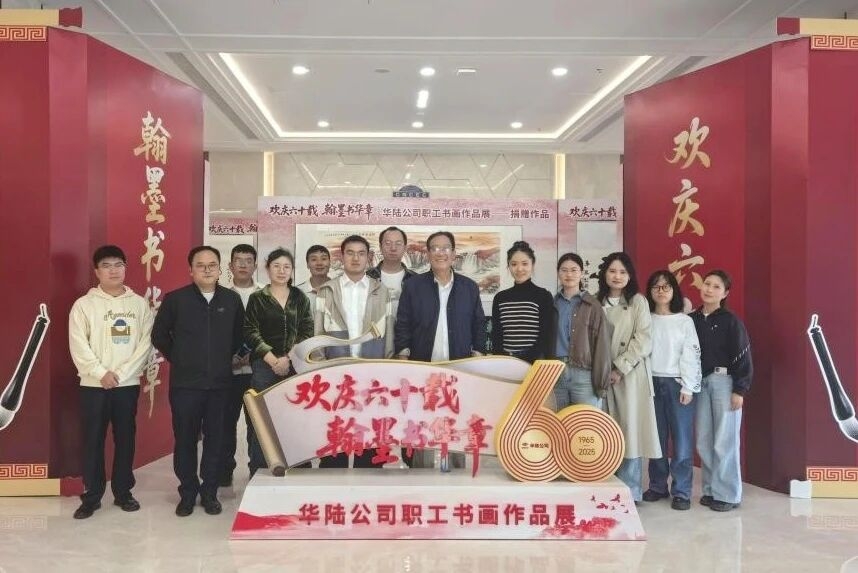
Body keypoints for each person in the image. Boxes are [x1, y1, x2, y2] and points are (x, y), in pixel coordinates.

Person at [152, 246, 245, 517]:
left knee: (216, 440)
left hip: (220, 385)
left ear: (220, 269)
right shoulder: (176, 300)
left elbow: (239, 336)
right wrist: (180, 358)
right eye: (200, 265)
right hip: (185, 386)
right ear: (190, 270)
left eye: (212, 265)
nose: (207, 270)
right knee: (185, 440)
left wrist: (223, 359)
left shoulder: (231, 300)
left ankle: (210, 492)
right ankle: (188, 492)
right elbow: (159, 336)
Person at [69, 245, 153, 520]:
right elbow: (78, 345)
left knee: (125, 438)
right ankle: (91, 496)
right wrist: (100, 373)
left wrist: (122, 374)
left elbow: (145, 343)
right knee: (92, 440)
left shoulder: (139, 304)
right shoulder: (84, 305)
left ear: (125, 268)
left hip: (126, 386)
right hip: (93, 386)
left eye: (118, 264)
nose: (113, 270)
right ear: (96, 271)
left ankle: (123, 492)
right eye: (106, 265)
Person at [395, 231, 486, 468]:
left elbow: (479, 324)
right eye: (434, 248)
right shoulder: (413, 286)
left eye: (445, 248)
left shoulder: (469, 287)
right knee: (423, 425)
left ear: (454, 253)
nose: (440, 253)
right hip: (423, 367)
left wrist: (477, 356)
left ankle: (456, 473)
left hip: (459, 368)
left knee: (455, 424)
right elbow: (403, 322)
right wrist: (403, 355)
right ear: (428, 254)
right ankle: (421, 474)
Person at [315, 235, 394, 468]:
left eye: (361, 253)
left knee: (369, 443)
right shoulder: (327, 291)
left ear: (369, 258)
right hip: (336, 377)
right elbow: (318, 334)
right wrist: (321, 372)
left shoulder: (381, 291)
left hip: (372, 376)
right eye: (350, 253)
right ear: (341, 257)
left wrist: (387, 370)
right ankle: (333, 483)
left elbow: (389, 333)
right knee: (335, 443)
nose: (356, 258)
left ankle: (367, 485)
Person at [596, 252, 661, 502]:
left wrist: (620, 367)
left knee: (629, 430)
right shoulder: (594, 301)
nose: (617, 276)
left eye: (623, 272)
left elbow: (643, 339)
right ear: (604, 274)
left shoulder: (637, 302)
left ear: (630, 275)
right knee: (605, 431)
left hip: (629, 375)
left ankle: (630, 491)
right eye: (612, 271)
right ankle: (606, 487)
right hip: (600, 374)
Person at [244, 247, 314, 475]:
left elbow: (306, 330)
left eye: (286, 267)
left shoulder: (300, 297)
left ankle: (299, 468)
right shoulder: (257, 298)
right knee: (262, 420)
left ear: (292, 270)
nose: (281, 271)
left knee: (295, 417)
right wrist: (273, 360)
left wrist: (288, 358)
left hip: (295, 365)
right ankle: (259, 470)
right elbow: (251, 331)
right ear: (267, 269)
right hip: (264, 366)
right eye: (276, 266)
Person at [690, 270, 752, 512]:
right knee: (704, 440)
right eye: (707, 284)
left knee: (724, 441)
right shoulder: (692, 319)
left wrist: (740, 389)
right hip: (700, 383)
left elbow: (743, 356)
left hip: (724, 383)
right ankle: (710, 490)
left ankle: (727, 494)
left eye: (716, 287)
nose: (709, 289)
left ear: (725, 293)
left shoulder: (731, 321)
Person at [642, 270, 701, 511]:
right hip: (650, 383)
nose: (661, 291)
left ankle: (682, 491)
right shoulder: (645, 319)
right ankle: (657, 485)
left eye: (666, 286)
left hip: (677, 384)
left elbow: (691, 354)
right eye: (656, 287)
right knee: (656, 438)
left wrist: (688, 386)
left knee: (682, 440)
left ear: (674, 290)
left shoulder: (684, 321)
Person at [220, 243, 261, 487]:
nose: (243, 265)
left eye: (248, 261)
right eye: (238, 260)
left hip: (258, 370)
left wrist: (248, 352)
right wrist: (234, 355)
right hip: (228, 372)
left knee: (257, 425)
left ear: (256, 265)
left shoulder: (265, 295)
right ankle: (225, 471)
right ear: (230, 265)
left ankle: (257, 470)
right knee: (226, 423)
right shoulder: (222, 296)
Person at [552, 252, 612, 409]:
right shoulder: (552, 304)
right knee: (557, 421)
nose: (569, 274)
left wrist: (601, 382)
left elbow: (602, 345)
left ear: (581, 273)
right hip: (556, 373)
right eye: (564, 270)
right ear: (558, 273)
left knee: (586, 422)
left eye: (574, 270)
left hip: (584, 375)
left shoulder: (593, 305)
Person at [491, 240, 553, 363]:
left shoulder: (543, 296)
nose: (519, 269)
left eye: (525, 264)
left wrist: (525, 361)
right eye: (514, 264)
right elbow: (497, 335)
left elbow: (545, 336)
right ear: (508, 266)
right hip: (505, 364)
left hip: (533, 364)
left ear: (532, 265)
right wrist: (502, 361)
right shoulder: (500, 298)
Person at [366, 226, 417, 318]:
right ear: (380, 247)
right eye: (388, 243)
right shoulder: (367, 277)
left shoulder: (416, 279)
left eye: (398, 243)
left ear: (405, 248)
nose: (393, 248)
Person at [295, 245, 331, 309]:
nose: (319, 263)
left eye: (323, 259)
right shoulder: (296, 293)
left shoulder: (340, 290)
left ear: (329, 263)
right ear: (307, 264)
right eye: (314, 259)